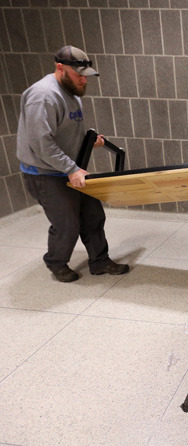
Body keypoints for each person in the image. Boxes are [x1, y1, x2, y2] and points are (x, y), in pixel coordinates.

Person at [16, 45, 129, 283]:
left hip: (70, 167)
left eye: (86, 76)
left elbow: (65, 130)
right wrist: (71, 168)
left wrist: (89, 142)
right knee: (67, 223)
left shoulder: (71, 91)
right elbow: (41, 142)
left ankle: (99, 261)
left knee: (93, 215)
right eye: (79, 75)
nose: (83, 81)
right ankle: (56, 262)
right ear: (60, 68)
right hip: (45, 172)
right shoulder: (43, 96)